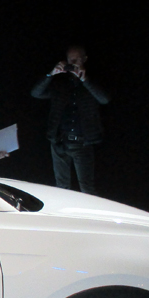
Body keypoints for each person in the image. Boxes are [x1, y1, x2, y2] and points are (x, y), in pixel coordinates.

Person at [31, 45, 110, 194]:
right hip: (59, 141)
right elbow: (36, 93)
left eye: (76, 59)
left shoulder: (92, 80)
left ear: (84, 59)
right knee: (62, 188)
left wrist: (84, 79)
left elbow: (104, 99)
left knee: (87, 189)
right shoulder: (60, 83)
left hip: (82, 142)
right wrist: (51, 74)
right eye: (70, 60)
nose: (72, 63)